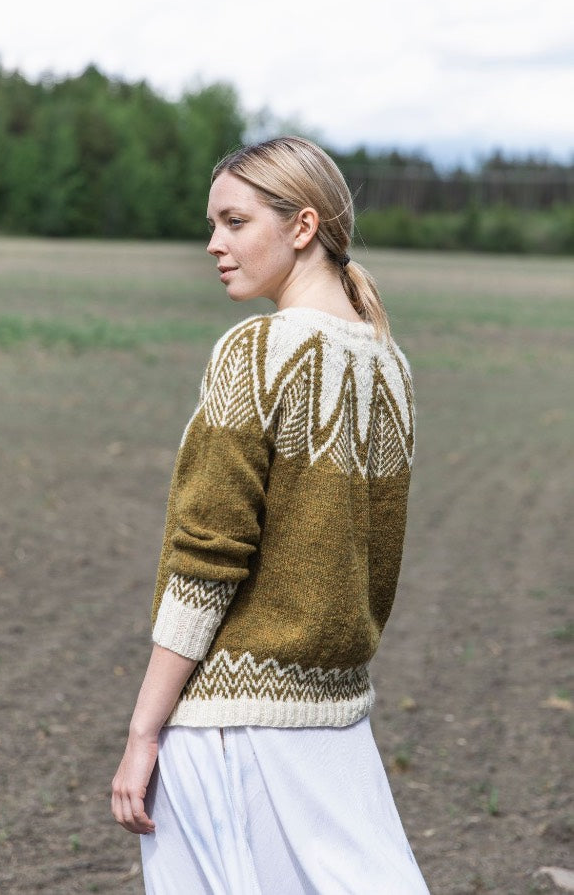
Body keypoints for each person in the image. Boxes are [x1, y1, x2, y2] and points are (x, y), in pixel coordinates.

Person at [111, 136, 430, 894]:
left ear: (302, 225)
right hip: (336, 723)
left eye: (234, 221)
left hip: (234, 731)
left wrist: (142, 731)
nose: (214, 244)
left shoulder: (256, 352)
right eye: (213, 224)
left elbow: (207, 557)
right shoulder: (389, 363)